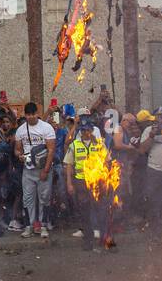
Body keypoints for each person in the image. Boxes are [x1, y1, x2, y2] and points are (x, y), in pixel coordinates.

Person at [66, 117, 111, 249]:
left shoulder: (99, 144)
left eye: (88, 130)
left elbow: (107, 161)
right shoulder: (74, 145)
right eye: (83, 130)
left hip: (97, 182)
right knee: (85, 213)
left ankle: (105, 240)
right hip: (81, 183)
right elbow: (69, 165)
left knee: (101, 211)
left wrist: (106, 180)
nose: (86, 132)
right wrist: (69, 183)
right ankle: (88, 241)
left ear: (92, 130)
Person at [14, 101, 56, 239]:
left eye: (33, 114)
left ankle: (43, 225)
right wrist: (19, 156)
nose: (31, 117)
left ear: (37, 113)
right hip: (28, 170)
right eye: (28, 114)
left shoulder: (46, 128)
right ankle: (29, 226)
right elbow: (17, 149)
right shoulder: (20, 130)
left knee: (44, 198)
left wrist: (46, 170)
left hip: (43, 168)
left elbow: (51, 150)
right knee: (28, 199)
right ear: (25, 115)